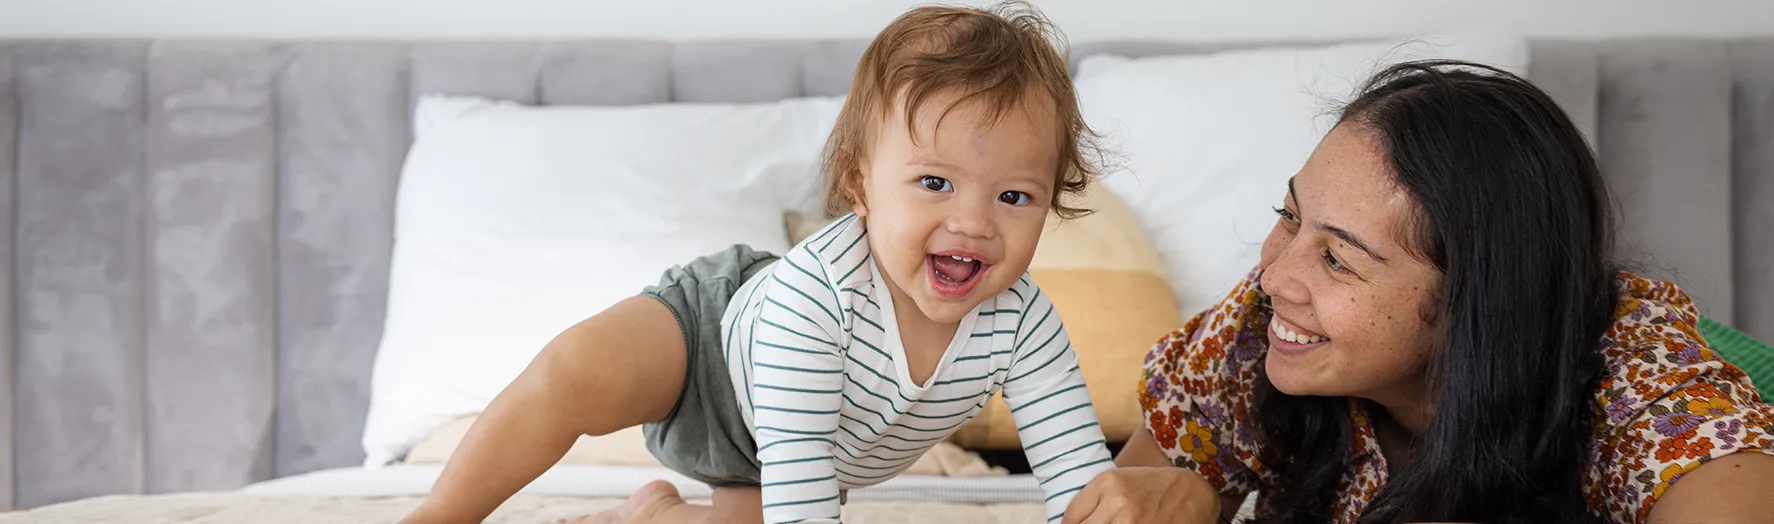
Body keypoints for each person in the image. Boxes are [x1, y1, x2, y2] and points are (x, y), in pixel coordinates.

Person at [401, 3, 1116, 524]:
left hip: (788, 449)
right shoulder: (818, 299)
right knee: (579, 370)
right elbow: (801, 476)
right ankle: (441, 512)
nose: (973, 221)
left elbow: (1083, 486)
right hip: (711, 344)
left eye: (1015, 196)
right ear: (858, 183)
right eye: (935, 183)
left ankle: (649, 515)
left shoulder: (1023, 326)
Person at [1063, 61, 1774, 524]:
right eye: (1287, 218)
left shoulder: (1645, 381)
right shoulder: (1260, 327)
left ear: (1475, 301)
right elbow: (1134, 500)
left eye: (1339, 259)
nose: (1275, 277)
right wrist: (1188, 496)